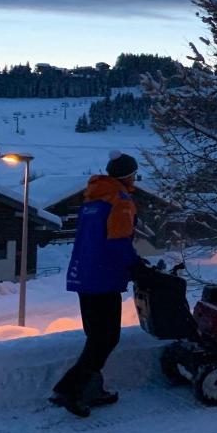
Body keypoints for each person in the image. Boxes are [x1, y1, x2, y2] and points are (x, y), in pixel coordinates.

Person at [50, 152, 141, 418]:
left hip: (83, 275)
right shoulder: (120, 201)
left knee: (96, 337)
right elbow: (117, 242)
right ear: (128, 175)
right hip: (103, 278)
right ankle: (73, 391)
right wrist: (135, 265)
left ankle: (72, 388)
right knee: (106, 338)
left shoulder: (91, 200)